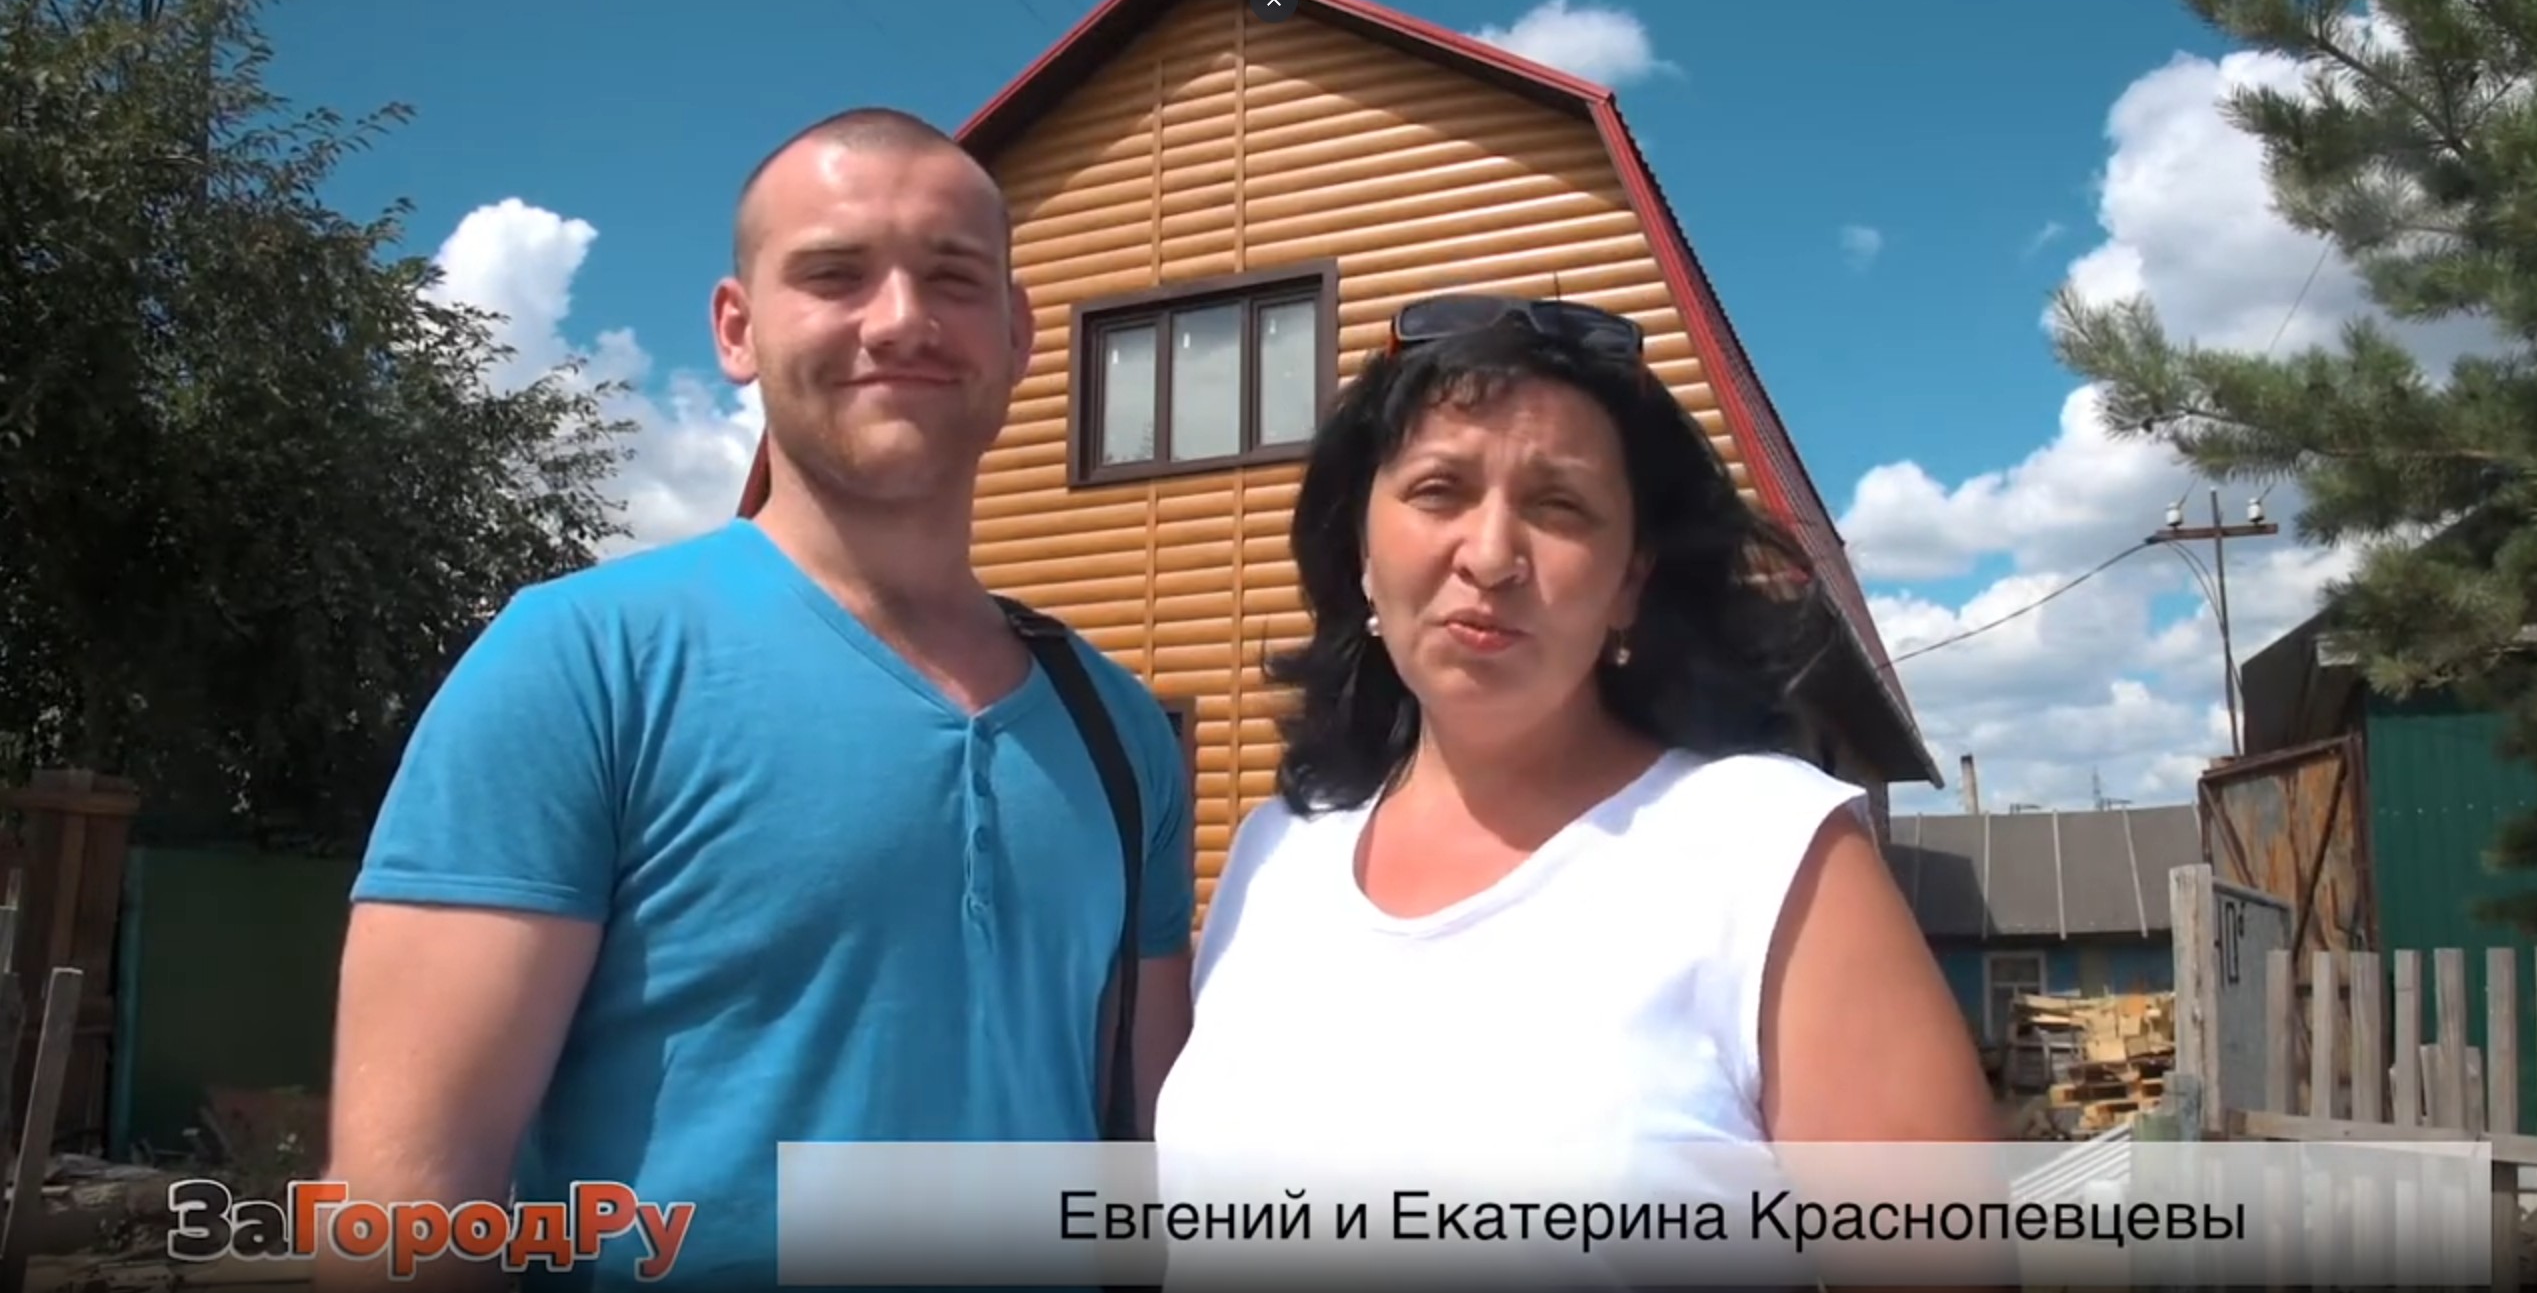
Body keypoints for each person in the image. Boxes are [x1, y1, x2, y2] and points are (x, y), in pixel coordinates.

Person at [322, 108, 1196, 1292]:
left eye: (954, 278)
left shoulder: (1120, 730)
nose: (901, 318)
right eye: (835, 274)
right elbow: (407, 1215)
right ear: (737, 329)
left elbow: (1143, 1174)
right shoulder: (581, 665)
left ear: (1018, 330)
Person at [1151, 294, 2000, 1288]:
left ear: (1630, 578)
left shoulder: (1767, 855)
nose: (1490, 555)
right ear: (1361, 552)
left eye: (1559, 506)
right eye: (1438, 489)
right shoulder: (1274, 854)